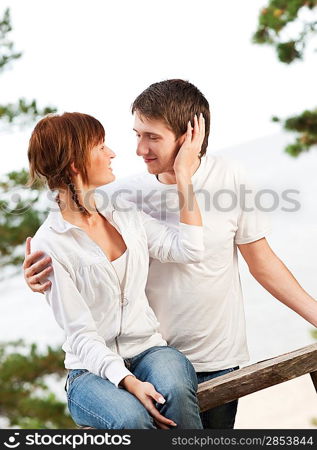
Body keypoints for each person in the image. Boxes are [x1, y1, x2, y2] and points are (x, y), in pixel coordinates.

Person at [24, 80, 317, 429]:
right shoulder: (122, 196)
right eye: (136, 134)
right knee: (137, 423)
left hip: (213, 357)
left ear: (188, 135)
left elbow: (260, 262)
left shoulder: (229, 177)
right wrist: (40, 277)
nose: (136, 150)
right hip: (145, 356)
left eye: (152, 137)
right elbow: (70, 213)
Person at [26, 111, 206, 430]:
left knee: (176, 389)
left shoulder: (124, 213)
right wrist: (127, 381)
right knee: (131, 419)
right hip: (89, 372)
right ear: (75, 162)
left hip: (150, 350)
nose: (112, 153)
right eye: (100, 147)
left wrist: (184, 178)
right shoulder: (49, 244)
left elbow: (189, 248)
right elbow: (81, 336)